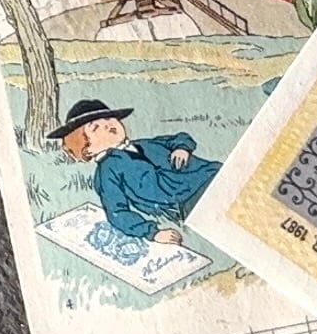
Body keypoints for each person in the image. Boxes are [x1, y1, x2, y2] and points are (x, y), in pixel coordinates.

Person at [50, 99, 221, 248]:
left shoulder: (143, 144)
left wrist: (182, 148)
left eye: (109, 119)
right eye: (96, 128)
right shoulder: (107, 171)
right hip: (191, 201)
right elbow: (117, 212)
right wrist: (153, 233)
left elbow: (178, 138)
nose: (107, 125)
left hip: (213, 174)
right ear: (87, 150)